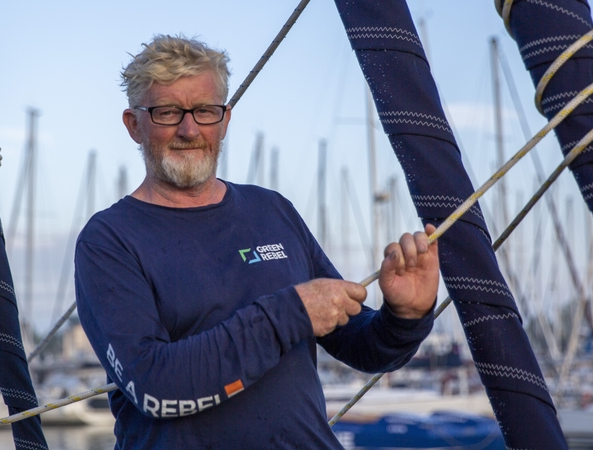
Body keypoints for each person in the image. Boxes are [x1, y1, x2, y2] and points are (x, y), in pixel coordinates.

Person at [74, 35, 440, 449]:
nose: (189, 129)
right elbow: (155, 386)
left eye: (205, 111)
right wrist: (290, 312)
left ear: (225, 119)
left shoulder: (273, 210)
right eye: (168, 112)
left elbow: (363, 348)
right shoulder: (108, 241)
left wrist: (405, 317)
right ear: (134, 125)